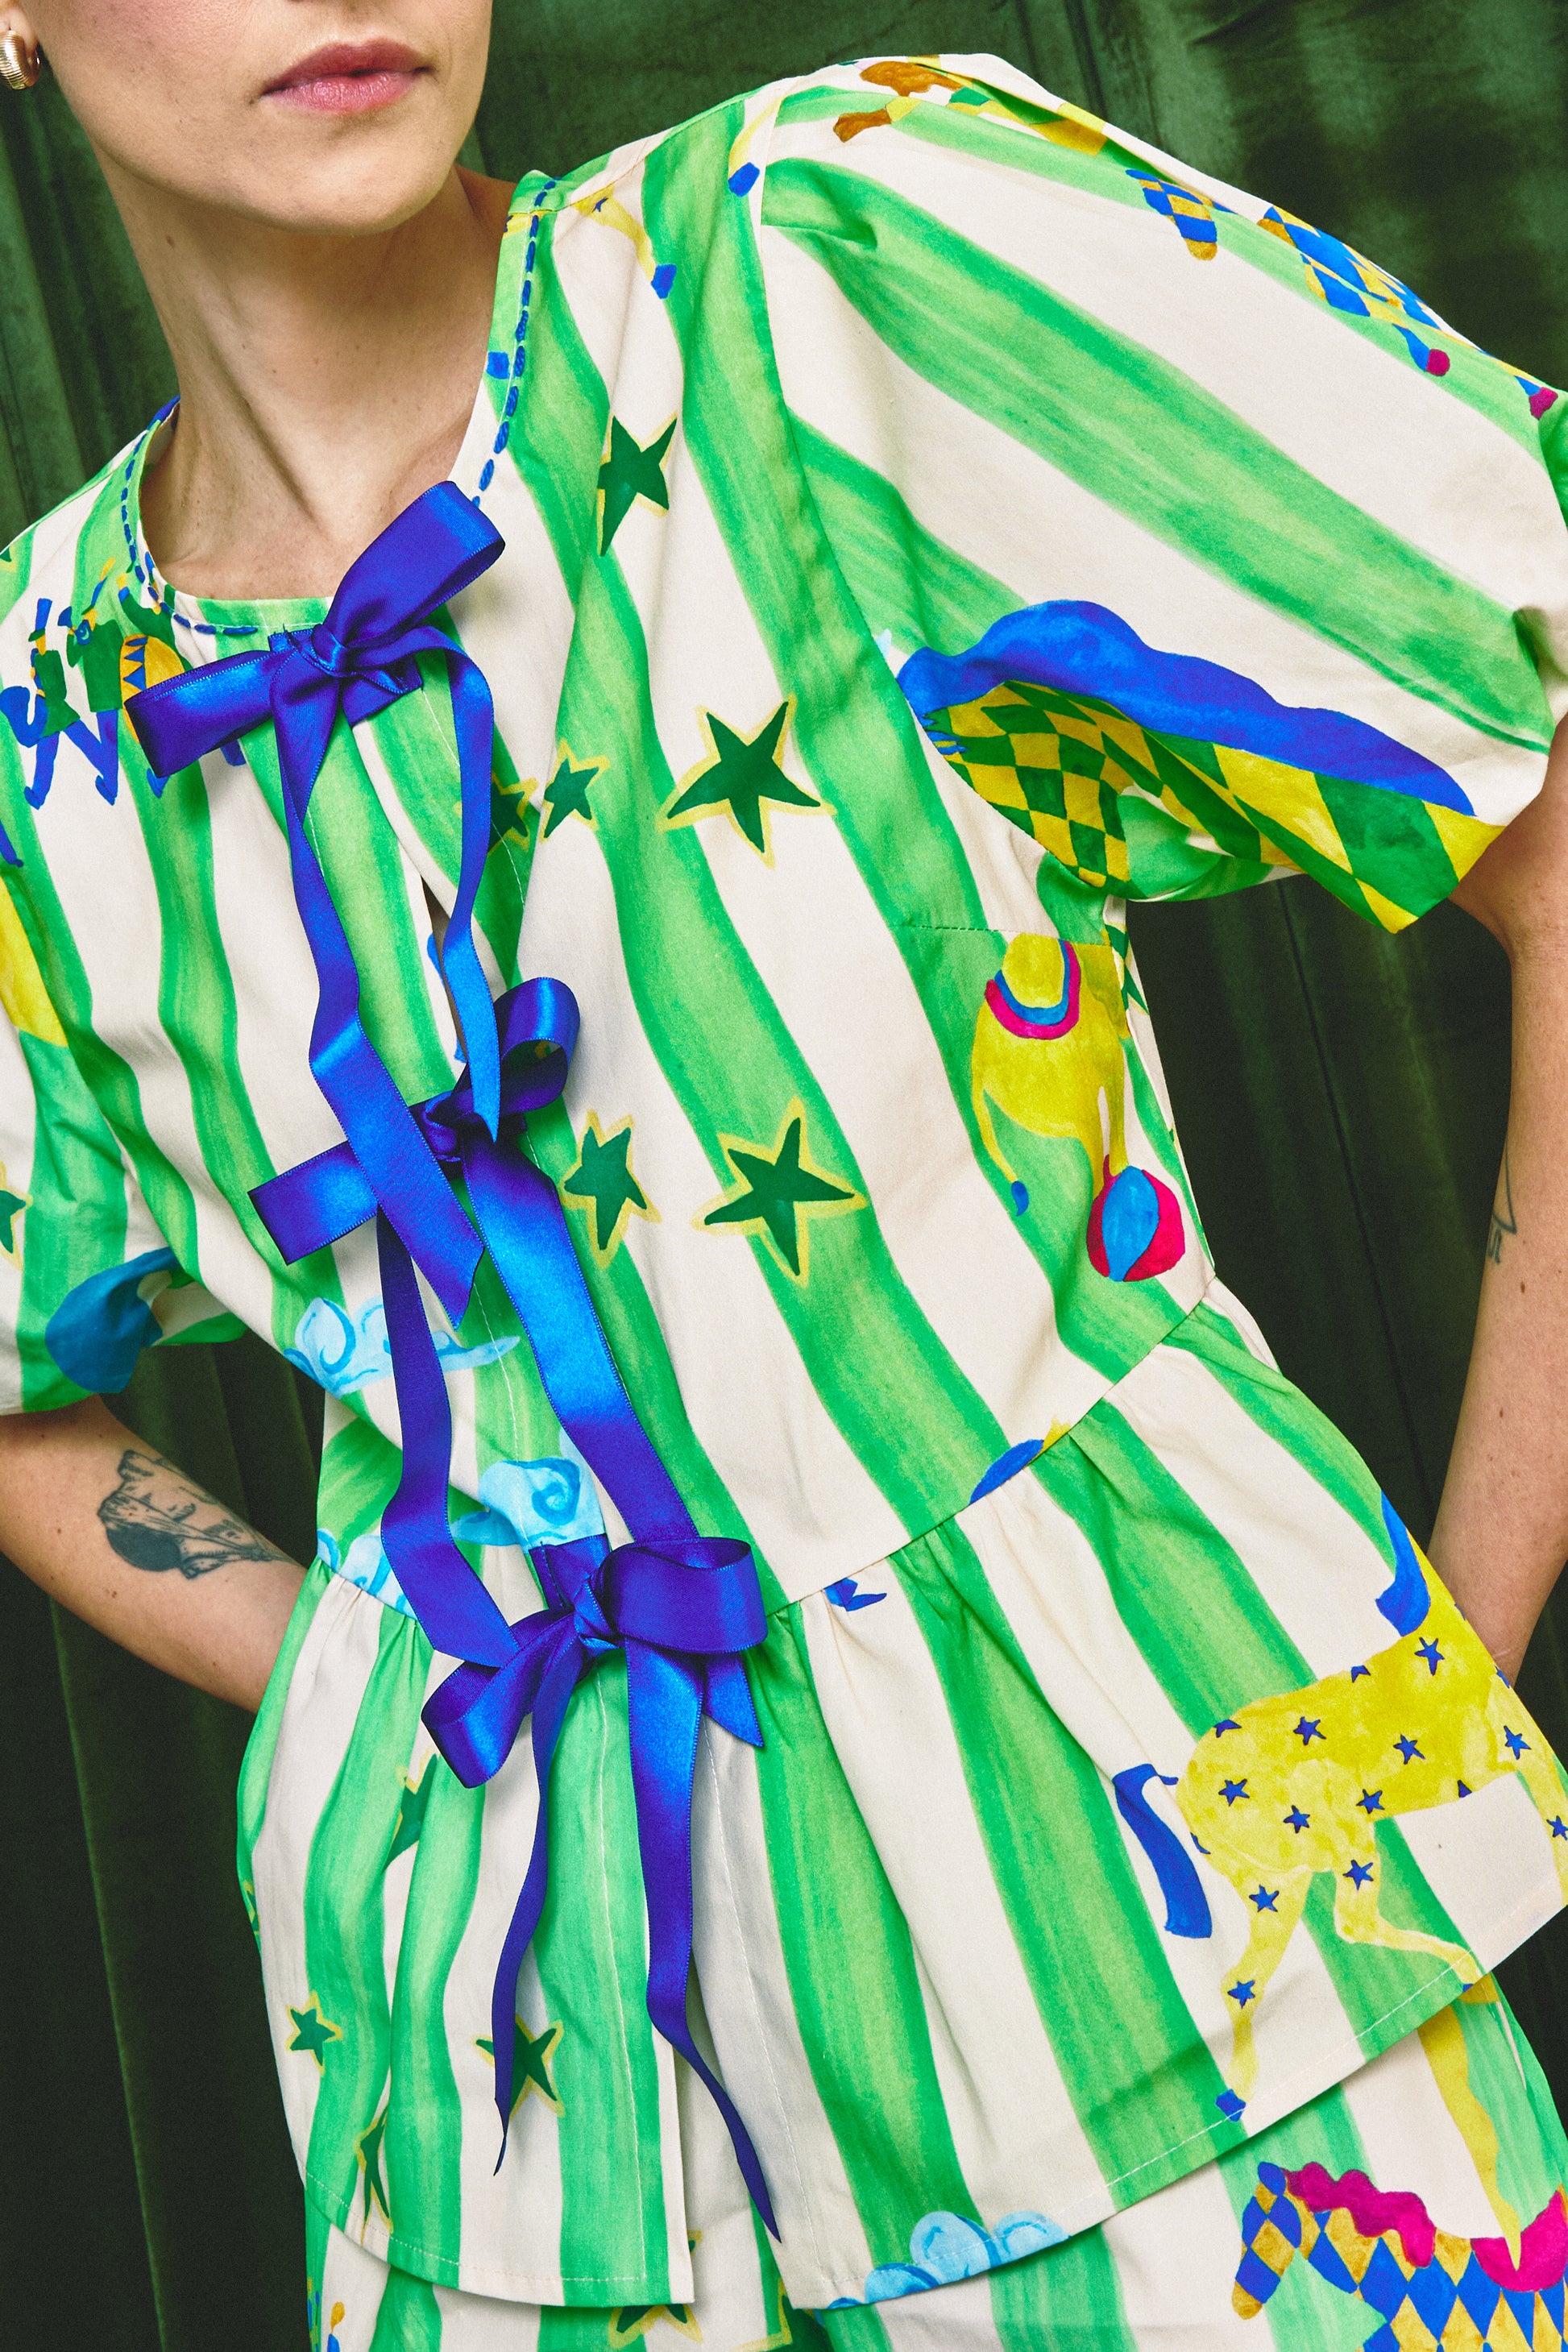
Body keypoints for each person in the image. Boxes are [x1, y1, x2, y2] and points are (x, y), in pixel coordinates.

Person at [2, 6, 1567, 2344]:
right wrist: (368, 1670)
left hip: (1186, 2003)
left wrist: (1435, 1654)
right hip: (513, 2164)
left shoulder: (834, 247)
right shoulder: (35, 736)